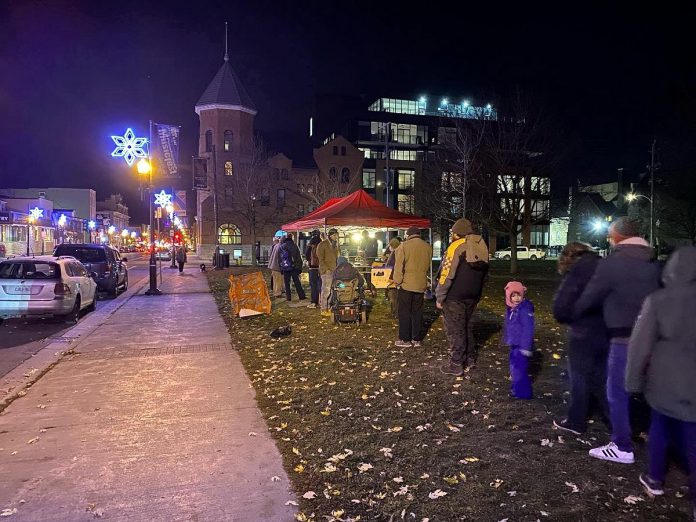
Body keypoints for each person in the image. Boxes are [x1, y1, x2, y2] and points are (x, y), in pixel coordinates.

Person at [574, 217, 662, 464]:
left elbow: (590, 297)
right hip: (655, 338)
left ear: (619, 237)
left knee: (617, 391)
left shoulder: (612, 264)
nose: (609, 240)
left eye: (610, 236)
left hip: (623, 337)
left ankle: (622, 445)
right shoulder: (655, 263)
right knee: (654, 391)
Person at [625, 246, 696, 516]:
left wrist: (632, 382)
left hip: (665, 380)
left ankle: (655, 478)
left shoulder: (658, 300)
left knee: (660, 429)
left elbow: (639, 345)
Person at [552, 242, 610, 435]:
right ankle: (618, 421)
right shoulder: (604, 267)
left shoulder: (577, 273)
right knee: (602, 378)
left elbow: (561, 307)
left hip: (583, 332)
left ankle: (576, 421)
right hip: (607, 330)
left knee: (579, 378)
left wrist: (573, 315)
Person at [435, 218, 489, 376]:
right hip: (473, 294)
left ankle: (456, 364)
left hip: (454, 296)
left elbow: (446, 274)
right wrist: (478, 294)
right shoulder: (481, 245)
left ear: (456, 233)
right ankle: (470, 359)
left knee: (455, 330)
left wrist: (440, 296)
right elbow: (485, 274)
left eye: (452, 232)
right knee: (467, 327)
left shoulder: (455, 246)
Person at [391, 226, 432, 348]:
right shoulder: (427, 247)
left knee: (404, 312)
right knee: (417, 312)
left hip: (407, 284)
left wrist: (397, 281)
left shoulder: (403, 246)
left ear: (408, 235)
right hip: (421, 283)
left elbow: (399, 266)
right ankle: (417, 339)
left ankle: (405, 339)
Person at [503, 281, 535, 399]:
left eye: (518, 295)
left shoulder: (524, 309)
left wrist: (526, 347)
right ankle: (516, 388)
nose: (516, 298)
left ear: (523, 295)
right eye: (513, 295)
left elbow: (528, 328)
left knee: (519, 369)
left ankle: (522, 392)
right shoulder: (512, 308)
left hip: (522, 346)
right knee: (514, 367)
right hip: (515, 344)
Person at [316, 228, 340, 316]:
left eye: (336, 235)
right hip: (326, 271)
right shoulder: (323, 244)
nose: (336, 237)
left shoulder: (335, 245)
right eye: (334, 235)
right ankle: (323, 309)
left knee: (331, 290)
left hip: (334, 270)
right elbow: (320, 259)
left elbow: (336, 258)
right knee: (326, 290)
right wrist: (326, 269)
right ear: (330, 235)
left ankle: (328, 307)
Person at [279, 236, 306, 301]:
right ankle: (301, 296)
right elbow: (298, 257)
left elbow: (279, 259)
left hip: (285, 268)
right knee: (297, 282)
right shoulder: (294, 246)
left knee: (287, 283)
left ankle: (288, 297)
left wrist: (281, 268)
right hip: (294, 267)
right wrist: (299, 268)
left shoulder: (282, 247)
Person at [384, 237, 402, 318]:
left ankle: (396, 313)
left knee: (394, 297)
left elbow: (392, 265)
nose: (389, 247)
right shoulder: (397, 252)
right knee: (395, 297)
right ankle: (395, 312)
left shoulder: (396, 253)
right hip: (394, 277)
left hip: (393, 278)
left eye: (390, 246)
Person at [305, 230, 322, 308]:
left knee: (313, 285)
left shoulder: (311, 243)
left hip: (313, 267)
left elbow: (307, 254)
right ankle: (322, 301)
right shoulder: (322, 243)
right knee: (321, 284)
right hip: (321, 267)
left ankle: (314, 302)